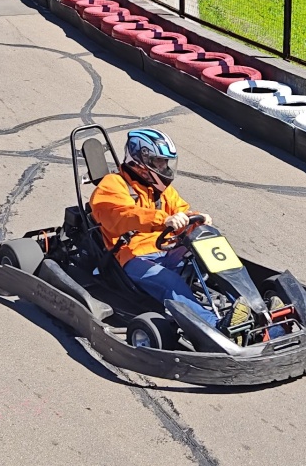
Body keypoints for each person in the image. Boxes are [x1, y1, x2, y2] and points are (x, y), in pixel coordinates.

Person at [88, 127, 216, 329]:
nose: (164, 168)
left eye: (166, 162)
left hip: (166, 247)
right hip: (131, 256)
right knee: (171, 282)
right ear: (141, 160)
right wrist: (162, 220)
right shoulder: (112, 185)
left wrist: (197, 220)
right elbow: (121, 217)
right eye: (159, 162)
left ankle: (254, 308)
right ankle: (215, 326)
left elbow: (181, 211)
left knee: (209, 255)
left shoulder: (161, 191)